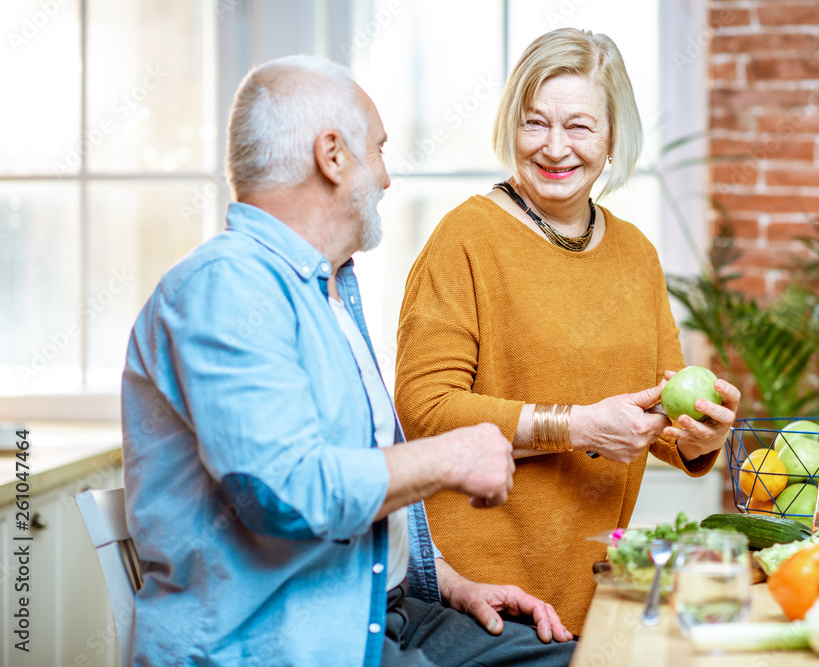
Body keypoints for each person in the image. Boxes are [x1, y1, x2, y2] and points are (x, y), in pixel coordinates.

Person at [120, 55, 575, 666]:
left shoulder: (328, 291)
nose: (386, 179)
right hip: (278, 648)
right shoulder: (225, 288)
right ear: (332, 156)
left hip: (383, 617)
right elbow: (285, 490)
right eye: (379, 150)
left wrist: (446, 582)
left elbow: (354, 500)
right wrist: (451, 454)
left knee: (589, 655)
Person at [394, 28, 741, 635]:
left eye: (579, 126)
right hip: (477, 599)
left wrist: (699, 436)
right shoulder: (465, 239)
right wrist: (575, 425)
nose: (555, 148)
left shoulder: (636, 254)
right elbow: (425, 411)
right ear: (511, 128)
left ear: (612, 137)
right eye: (535, 123)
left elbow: (658, 420)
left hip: (594, 597)